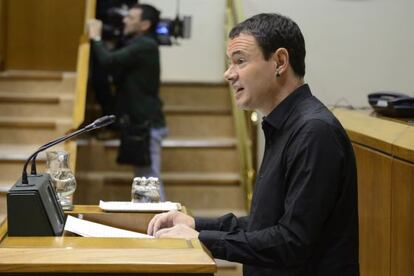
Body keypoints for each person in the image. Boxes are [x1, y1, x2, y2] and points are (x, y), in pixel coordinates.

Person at [147, 13, 359, 276]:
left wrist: (200, 238)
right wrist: (194, 223)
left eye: (240, 61)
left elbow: (291, 242)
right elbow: (265, 225)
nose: (228, 74)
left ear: (280, 62)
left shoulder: (314, 132)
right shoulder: (285, 125)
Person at [87, 4, 168, 201]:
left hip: (147, 125)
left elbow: (109, 62)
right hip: (140, 123)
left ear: (145, 24)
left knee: (149, 179)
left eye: (131, 18)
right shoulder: (139, 43)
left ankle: (165, 227)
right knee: (144, 179)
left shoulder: (145, 45)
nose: (124, 20)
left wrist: (96, 38)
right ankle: (151, 224)